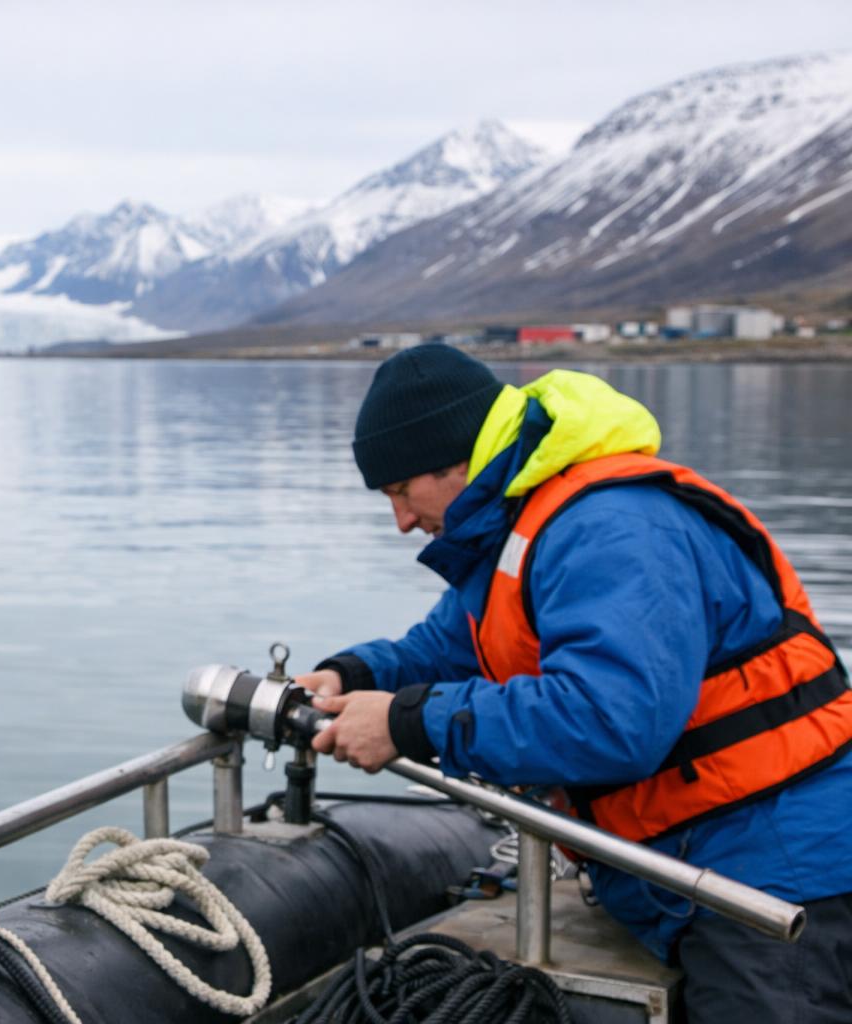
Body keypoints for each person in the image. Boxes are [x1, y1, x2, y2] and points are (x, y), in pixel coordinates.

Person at [298, 345, 852, 1021]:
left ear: (456, 462)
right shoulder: (516, 531)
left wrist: (408, 723)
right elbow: (445, 648)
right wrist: (349, 675)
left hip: (778, 873)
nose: (403, 522)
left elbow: (613, 720)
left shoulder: (610, 528)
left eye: (400, 492)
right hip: (689, 863)